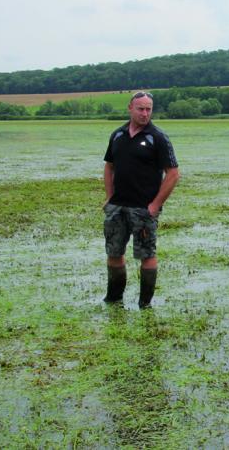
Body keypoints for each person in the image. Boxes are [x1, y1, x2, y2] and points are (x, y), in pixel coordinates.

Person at [102, 91, 179, 309]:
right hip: (117, 207)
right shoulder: (117, 135)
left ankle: (144, 304)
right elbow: (109, 166)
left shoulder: (158, 137)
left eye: (149, 109)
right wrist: (109, 197)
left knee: (147, 255)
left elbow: (173, 174)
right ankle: (114, 299)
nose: (145, 113)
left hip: (143, 210)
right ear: (130, 108)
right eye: (141, 109)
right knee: (114, 253)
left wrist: (155, 205)